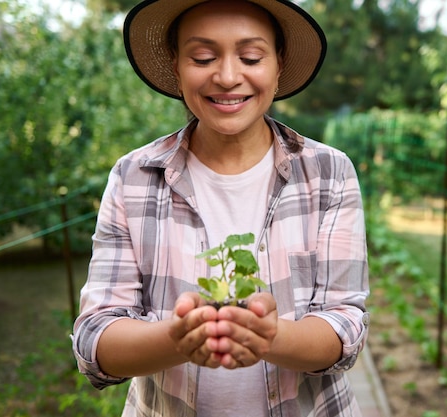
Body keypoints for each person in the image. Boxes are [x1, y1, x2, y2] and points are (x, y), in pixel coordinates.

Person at [71, 0, 370, 415]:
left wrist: (272, 338)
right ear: (176, 65)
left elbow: (345, 323)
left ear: (278, 64)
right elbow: (95, 338)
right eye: (203, 57)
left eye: (250, 57)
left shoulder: (329, 173)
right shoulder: (134, 177)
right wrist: (176, 338)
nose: (228, 77)